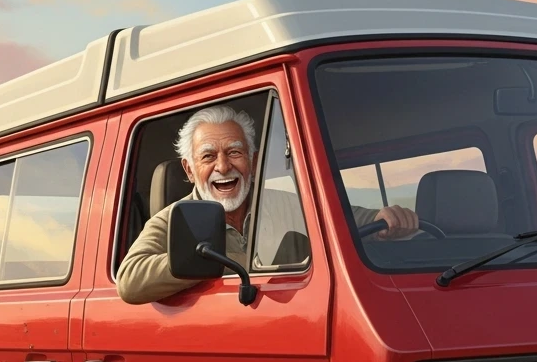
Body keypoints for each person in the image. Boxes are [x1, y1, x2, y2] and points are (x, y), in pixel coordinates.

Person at [116, 104, 420, 304]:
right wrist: (203, 260)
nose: (223, 167)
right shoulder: (172, 219)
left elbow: (355, 221)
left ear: (254, 160)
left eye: (235, 153)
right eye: (208, 156)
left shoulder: (289, 204)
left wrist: (389, 220)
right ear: (189, 169)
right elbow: (129, 281)